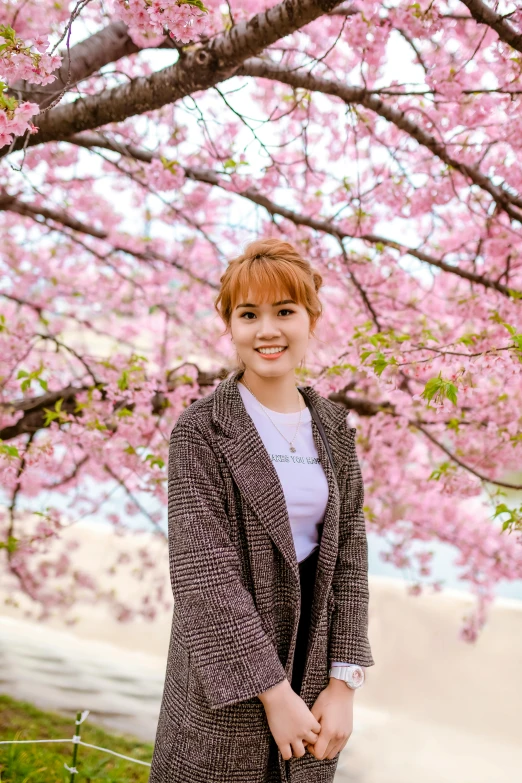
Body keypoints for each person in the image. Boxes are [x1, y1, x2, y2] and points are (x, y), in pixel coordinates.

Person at [149, 238, 375, 783]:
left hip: (315, 669)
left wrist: (343, 684)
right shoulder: (201, 430)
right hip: (225, 679)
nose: (267, 330)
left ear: (311, 318)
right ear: (230, 324)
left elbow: (350, 559)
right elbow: (204, 573)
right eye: (249, 314)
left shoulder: (333, 429)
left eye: (284, 312)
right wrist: (273, 694)